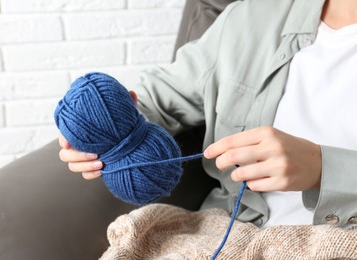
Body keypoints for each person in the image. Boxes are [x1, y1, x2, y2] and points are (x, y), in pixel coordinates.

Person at [58, 0, 357, 229]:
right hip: (233, 232)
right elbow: (155, 99)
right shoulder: (248, 20)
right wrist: (100, 129)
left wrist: (323, 169)